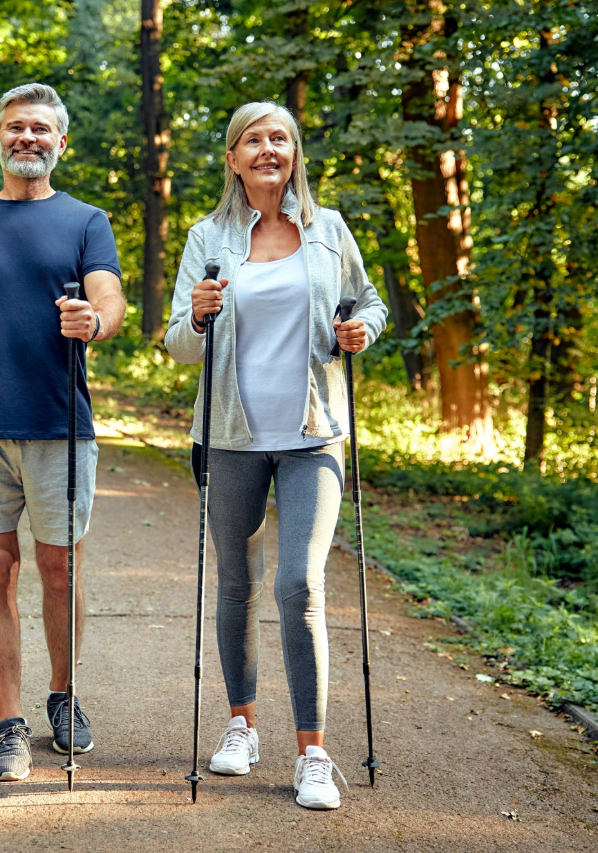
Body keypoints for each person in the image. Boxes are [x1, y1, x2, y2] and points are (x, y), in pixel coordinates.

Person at [164, 101, 388, 810]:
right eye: (254, 140)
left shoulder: (328, 230)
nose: (268, 149)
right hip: (230, 436)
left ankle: (313, 753)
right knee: (237, 583)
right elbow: (177, 342)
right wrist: (198, 313)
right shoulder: (209, 237)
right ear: (232, 157)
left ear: (294, 154)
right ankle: (242, 724)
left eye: (280, 138)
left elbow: (370, 304)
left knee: (300, 584)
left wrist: (361, 333)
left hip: (313, 435)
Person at [0, 82, 126, 782]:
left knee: (59, 567)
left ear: (61, 143)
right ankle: (11, 724)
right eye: (15, 127)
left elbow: (109, 297)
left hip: (60, 425)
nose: (27, 138)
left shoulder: (85, 220)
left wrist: (92, 322)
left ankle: (64, 696)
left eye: (41, 128)